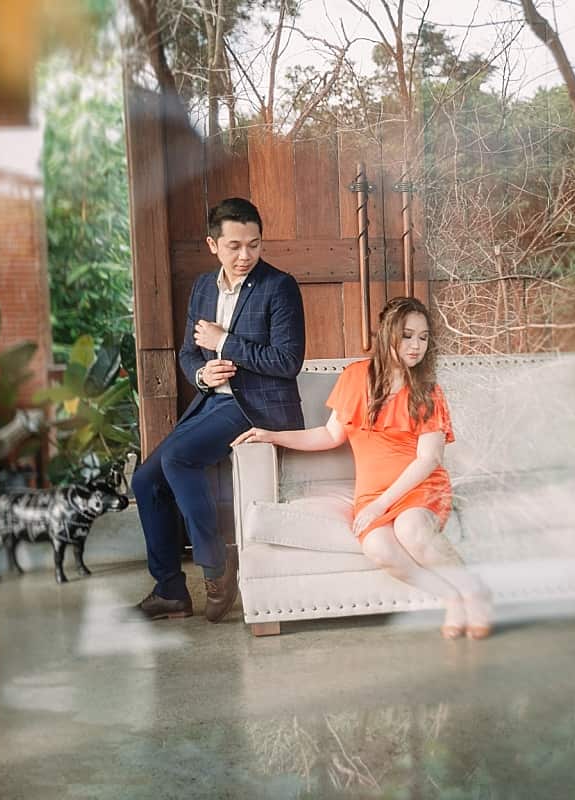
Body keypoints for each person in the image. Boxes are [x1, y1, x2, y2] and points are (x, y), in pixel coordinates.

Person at [231, 296, 493, 639]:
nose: (416, 346)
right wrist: (271, 435)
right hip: (372, 492)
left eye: (423, 337)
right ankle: (450, 596)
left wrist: (381, 505)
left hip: (420, 487)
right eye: (407, 336)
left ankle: (473, 592)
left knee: (410, 530)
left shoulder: (428, 391)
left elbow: (429, 459)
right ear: (387, 335)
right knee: (379, 549)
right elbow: (330, 435)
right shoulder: (355, 377)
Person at [132, 197, 306, 622]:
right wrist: (202, 374)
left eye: (254, 244)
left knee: (178, 457)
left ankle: (215, 568)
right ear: (213, 245)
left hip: (257, 406)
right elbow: (188, 353)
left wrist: (224, 342)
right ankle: (170, 590)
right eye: (234, 246)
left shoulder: (279, 287)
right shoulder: (203, 288)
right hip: (213, 400)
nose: (245, 255)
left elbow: (287, 361)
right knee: (145, 480)